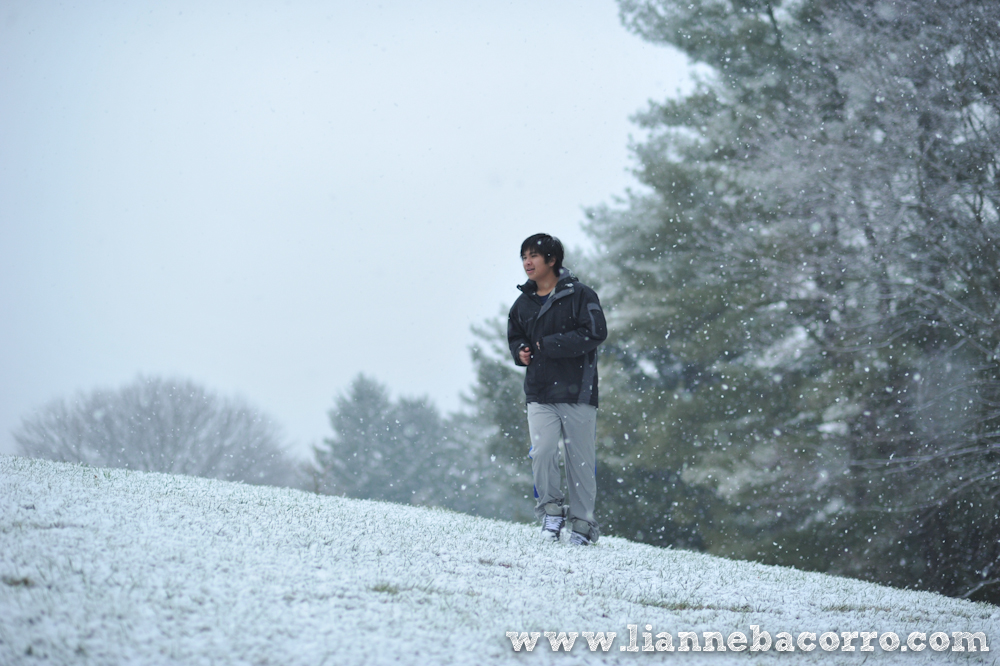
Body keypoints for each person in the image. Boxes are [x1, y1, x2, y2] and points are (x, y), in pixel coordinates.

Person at [507, 233, 607, 545]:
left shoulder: (581, 295)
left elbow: (596, 332)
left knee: (580, 461)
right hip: (539, 393)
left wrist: (549, 344)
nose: (527, 262)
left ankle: (582, 526)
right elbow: (516, 336)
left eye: (534, 255)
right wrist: (520, 350)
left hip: (578, 391)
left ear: (552, 260)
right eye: (524, 256)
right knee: (543, 451)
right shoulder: (522, 303)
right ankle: (551, 510)